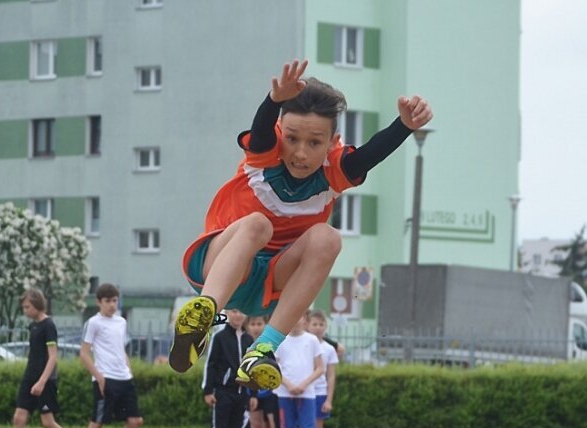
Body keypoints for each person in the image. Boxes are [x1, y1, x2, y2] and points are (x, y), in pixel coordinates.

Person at [168, 58, 432, 392]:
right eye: (292, 139)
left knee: (328, 238)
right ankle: (202, 317)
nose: (300, 154)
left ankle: (262, 349)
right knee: (257, 225)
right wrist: (274, 100)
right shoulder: (266, 154)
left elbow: (368, 155)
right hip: (223, 266)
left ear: (331, 141)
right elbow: (262, 130)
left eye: (314, 143)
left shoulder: (334, 172)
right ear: (282, 132)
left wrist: (404, 126)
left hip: (272, 285)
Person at [9, 288, 85, 428]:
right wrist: (32, 379)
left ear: (37, 305)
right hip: (29, 377)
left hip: (45, 380)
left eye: (27, 306)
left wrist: (42, 381)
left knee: (48, 422)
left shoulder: (48, 326)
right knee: (19, 418)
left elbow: (53, 357)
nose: (25, 310)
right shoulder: (33, 326)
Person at [78, 283, 143, 428]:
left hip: (124, 378)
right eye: (108, 301)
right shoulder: (93, 323)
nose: (112, 305)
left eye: (114, 300)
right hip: (105, 378)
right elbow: (84, 353)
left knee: (135, 421)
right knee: (97, 422)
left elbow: (120, 348)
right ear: (99, 302)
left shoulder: (121, 322)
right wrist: (98, 376)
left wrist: (128, 368)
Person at [202, 308, 254, 428]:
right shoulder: (220, 337)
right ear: (227, 314)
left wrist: (253, 394)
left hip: (241, 393)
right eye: (233, 311)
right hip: (222, 392)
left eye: (241, 312)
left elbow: (253, 367)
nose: (238, 315)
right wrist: (208, 390)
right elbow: (211, 365)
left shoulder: (248, 339)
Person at [274, 314, 323, 428]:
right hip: (285, 394)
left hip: (306, 394)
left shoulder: (312, 341)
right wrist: (288, 384)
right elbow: (274, 367)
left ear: (305, 320)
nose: (296, 320)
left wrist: (303, 384)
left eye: (300, 316)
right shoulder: (280, 340)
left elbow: (320, 368)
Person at [243, 314, 282, 428]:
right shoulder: (245, 343)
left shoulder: (270, 344)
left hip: (271, 393)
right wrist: (252, 393)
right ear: (248, 326)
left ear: (265, 325)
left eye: (259, 324)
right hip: (252, 393)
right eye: (253, 324)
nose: (256, 327)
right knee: (256, 426)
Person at [306, 308, 339, 428]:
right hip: (304, 392)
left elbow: (331, 375)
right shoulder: (303, 345)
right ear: (308, 325)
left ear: (325, 327)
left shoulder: (329, 349)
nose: (318, 327)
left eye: (321, 324)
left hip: (319, 393)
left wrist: (329, 399)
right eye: (314, 324)